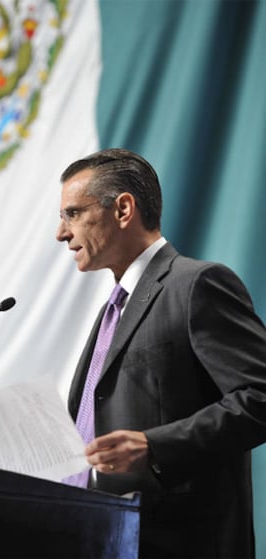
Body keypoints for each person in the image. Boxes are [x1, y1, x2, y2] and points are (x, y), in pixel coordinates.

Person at [56, 148, 266, 559]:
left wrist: (154, 445)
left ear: (123, 209)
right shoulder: (110, 312)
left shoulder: (196, 285)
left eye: (72, 214)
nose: (61, 234)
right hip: (100, 537)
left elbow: (260, 396)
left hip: (180, 541)